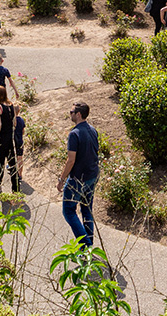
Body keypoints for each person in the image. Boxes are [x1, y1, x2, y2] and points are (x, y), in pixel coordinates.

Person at [58, 101, 99, 247]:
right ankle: (90, 245)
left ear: (78, 114)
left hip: (78, 179)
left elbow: (71, 160)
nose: (70, 114)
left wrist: (61, 180)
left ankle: (85, 245)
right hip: (92, 175)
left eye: (71, 112)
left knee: (69, 212)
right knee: (87, 209)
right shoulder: (93, 130)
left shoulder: (74, 134)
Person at [0, 86, 18, 193]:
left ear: (1, 96)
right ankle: (16, 188)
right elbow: (14, 122)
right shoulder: (11, 106)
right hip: (9, 139)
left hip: (1, 139)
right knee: (12, 163)